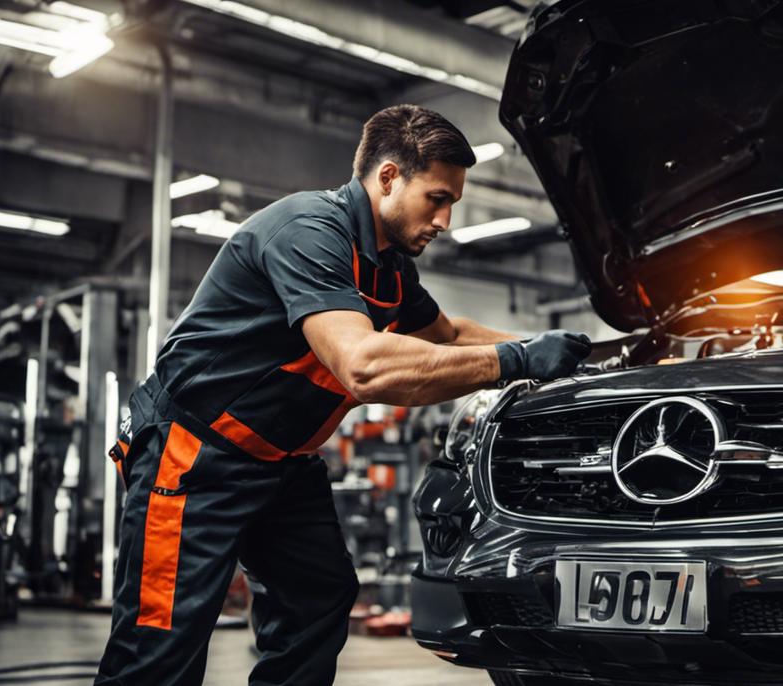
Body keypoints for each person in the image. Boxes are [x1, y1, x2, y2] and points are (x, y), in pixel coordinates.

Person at [95, 104, 591, 686]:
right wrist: (514, 361)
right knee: (160, 647)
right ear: (387, 178)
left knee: (319, 600)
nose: (446, 219)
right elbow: (363, 368)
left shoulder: (389, 266)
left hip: (280, 463)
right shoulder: (308, 232)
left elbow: (449, 335)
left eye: (452, 201)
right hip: (193, 454)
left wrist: (564, 356)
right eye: (437, 197)